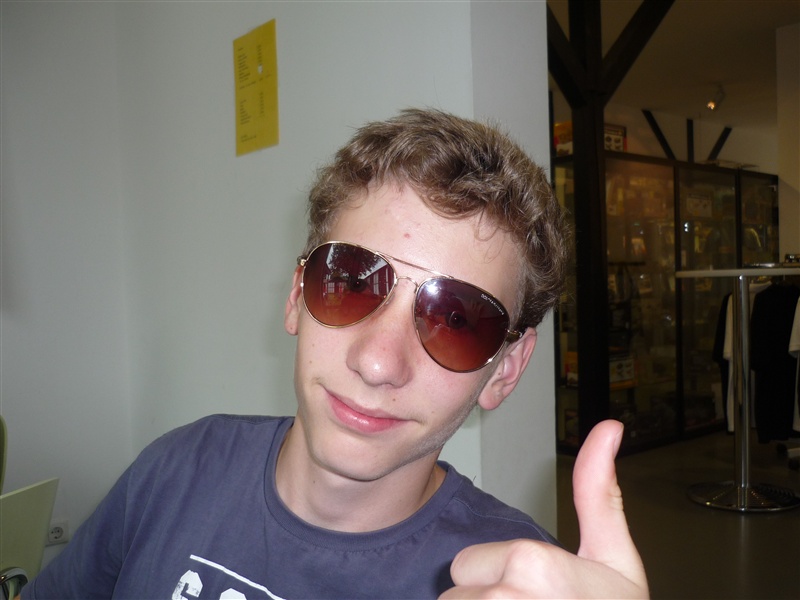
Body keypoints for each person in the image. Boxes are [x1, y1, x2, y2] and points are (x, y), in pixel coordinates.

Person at [22, 109, 647, 599]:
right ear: (297, 297)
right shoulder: (174, 470)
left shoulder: (510, 582)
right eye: (349, 282)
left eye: (457, 321)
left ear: (504, 370)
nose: (378, 363)